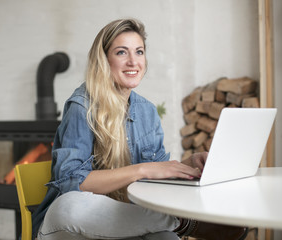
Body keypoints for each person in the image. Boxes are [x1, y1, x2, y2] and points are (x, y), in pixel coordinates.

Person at [32, 18, 248, 240]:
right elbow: (70, 183)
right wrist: (142, 170)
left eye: (139, 52)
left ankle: (176, 225)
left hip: (124, 221)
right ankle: (183, 222)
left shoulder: (147, 111)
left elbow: (157, 179)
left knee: (166, 238)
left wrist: (185, 166)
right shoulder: (82, 106)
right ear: (104, 60)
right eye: (121, 52)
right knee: (70, 205)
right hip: (69, 228)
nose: (133, 62)